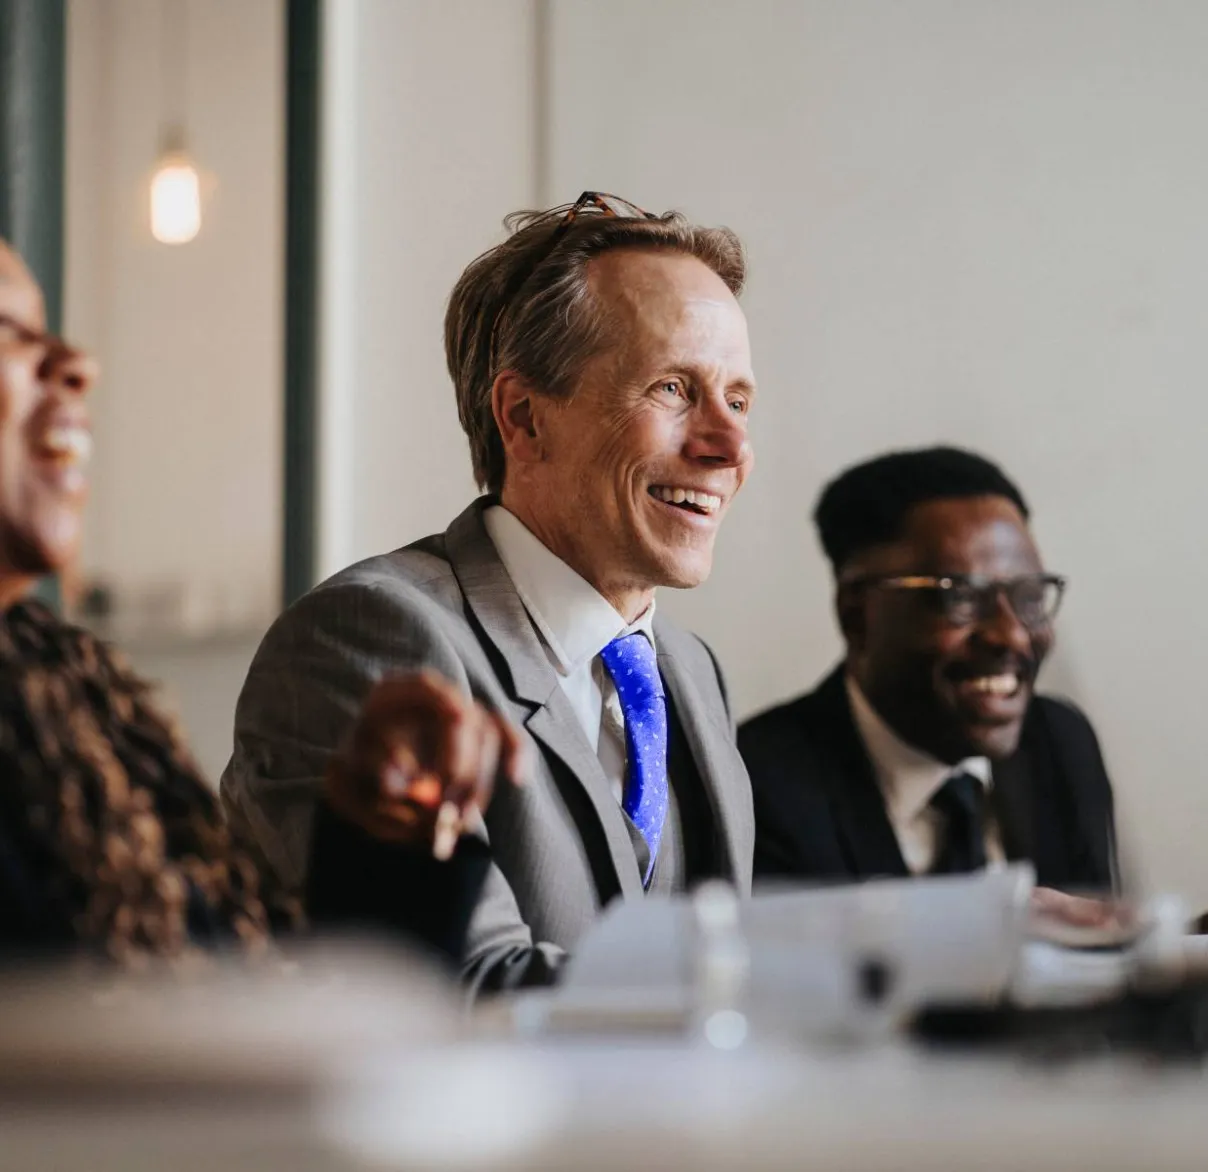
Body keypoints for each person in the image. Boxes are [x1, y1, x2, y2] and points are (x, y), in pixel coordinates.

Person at [221, 192, 758, 993]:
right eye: (675, 390)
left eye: (739, 399)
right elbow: (452, 989)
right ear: (523, 418)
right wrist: (805, 991)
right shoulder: (364, 638)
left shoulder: (691, 668)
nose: (728, 445)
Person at [0, 238, 519, 967]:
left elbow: (245, 995)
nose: (78, 364)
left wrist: (381, 843)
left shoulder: (69, 691)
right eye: (8, 332)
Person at [739, 446, 1118, 892]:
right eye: (958, 596)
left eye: (1030, 597)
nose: (1011, 636)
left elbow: (1096, 952)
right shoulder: (755, 790)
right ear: (857, 615)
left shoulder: (1058, 742)